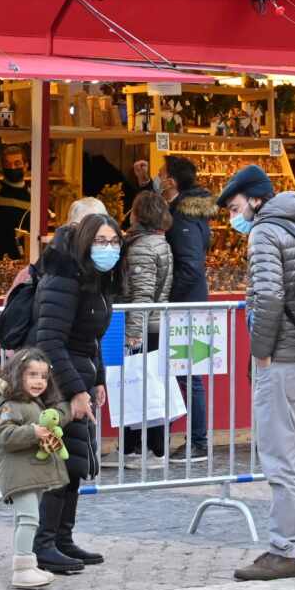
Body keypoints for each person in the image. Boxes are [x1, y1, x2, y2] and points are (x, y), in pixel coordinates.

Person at [218, 165, 295, 582]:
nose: (235, 217)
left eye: (235, 207)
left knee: (280, 458)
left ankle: (282, 549)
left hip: (284, 358)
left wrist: (261, 353)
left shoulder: (266, 232)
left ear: (254, 199)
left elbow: (268, 295)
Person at [31, 212, 121, 574]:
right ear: (85, 241)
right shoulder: (63, 279)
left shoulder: (95, 279)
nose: (108, 248)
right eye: (100, 241)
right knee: (58, 463)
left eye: (114, 242)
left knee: (75, 462)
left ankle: (63, 539)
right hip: (57, 383)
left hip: (80, 376)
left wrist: (96, 379)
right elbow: (50, 340)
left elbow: (91, 337)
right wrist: (75, 390)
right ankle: (44, 544)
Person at [0, 349, 71, 590]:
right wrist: (33, 432)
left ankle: (26, 564)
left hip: (30, 471)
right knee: (29, 518)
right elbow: (4, 435)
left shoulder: (32, 402)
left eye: (43, 376)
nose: (38, 381)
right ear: (17, 374)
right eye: (32, 375)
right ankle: (22, 570)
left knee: (26, 518)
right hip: (19, 473)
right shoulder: (10, 405)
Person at [162, 155, 216, 462]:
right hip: (190, 301)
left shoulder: (182, 217)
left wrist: (170, 298)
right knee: (182, 373)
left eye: (160, 175)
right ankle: (188, 439)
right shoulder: (189, 211)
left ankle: (197, 442)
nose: (157, 180)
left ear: (171, 181)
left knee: (187, 374)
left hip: (185, 305)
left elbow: (190, 265)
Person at [118, 191, 174, 464]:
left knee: (137, 385)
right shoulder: (160, 241)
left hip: (142, 326)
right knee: (148, 384)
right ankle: (150, 446)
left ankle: (139, 447)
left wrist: (133, 333)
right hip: (155, 324)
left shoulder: (142, 247)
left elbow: (141, 295)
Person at [0, 145, 31, 260]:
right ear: (2, 167)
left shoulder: (32, 196)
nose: (12, 168)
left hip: (22, 261)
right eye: (8, 164)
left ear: (26, 166)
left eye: (17, 163)